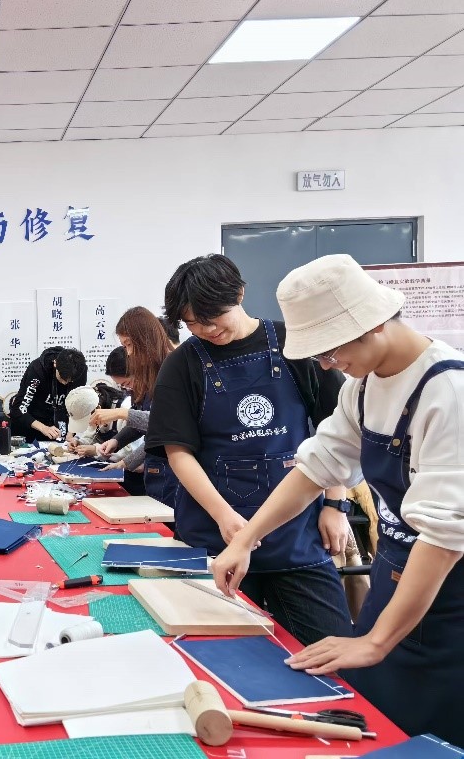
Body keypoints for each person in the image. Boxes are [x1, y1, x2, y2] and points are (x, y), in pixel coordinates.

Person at [211, 255, 464, 743]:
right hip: (393, 583)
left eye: (329, 351)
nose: (327, 365)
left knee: (435, 739)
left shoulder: (448, 392)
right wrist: (246, 540)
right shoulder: (362, 389)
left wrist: (376, 641)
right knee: (375, 727)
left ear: (372, 323)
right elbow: (316, 468)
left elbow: (444, 536)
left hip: (449, 597)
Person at [146, 253, 353, 646]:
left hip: (297, 534)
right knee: (225, 652)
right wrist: (224, 516)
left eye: (213, 317)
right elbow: (178, 453)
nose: (206, 329)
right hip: (214, 537)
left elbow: (336, 434)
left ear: (239, 294)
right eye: (193, 323)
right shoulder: (182, 365)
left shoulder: (296, 345)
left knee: (331, 646)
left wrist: (335, 503)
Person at [92, 307, 174, 497]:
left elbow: (164, 425)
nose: (128, 353)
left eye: (129, 345)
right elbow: (145, 427)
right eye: (125, 346)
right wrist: (117, 442)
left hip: (172, 471)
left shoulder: (173, 368)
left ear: (145, 339)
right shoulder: (151, 373)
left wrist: (121, 413)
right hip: (156, 469)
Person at [9, 347, 87, 442]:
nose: (65, 383)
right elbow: (18, 409)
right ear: (55, 363)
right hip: (32, 423)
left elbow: (78, 406)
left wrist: (71, 433)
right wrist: (43, 428)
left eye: (70, 381)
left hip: (60, 424)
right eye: (62, 378)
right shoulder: (37, 369)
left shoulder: (79, 371)